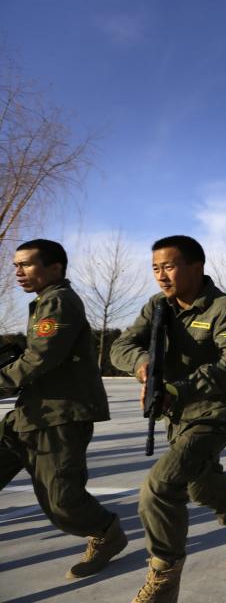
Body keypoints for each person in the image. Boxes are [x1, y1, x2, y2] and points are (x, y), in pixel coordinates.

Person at [111, 235, 226, 603]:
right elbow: (121, 346)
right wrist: (143, 365)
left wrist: (180, 388)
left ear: (196, 266)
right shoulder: (156, 306)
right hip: (177, 416)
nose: (161, 276)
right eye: (155, 268)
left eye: (169, 266)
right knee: (199, 484)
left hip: (215, 414)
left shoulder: (223, 309)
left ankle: (164, 576)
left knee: (160, 487)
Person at [0, 239, 127, 578]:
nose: (18, 271)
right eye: (16, 265)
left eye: (26, 264)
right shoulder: (43, 302)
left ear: (55, 268)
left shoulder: (58, 301)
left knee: (62, 502)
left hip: (61, 416)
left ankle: (106, 532)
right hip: (31, 413)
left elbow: (41, 356)